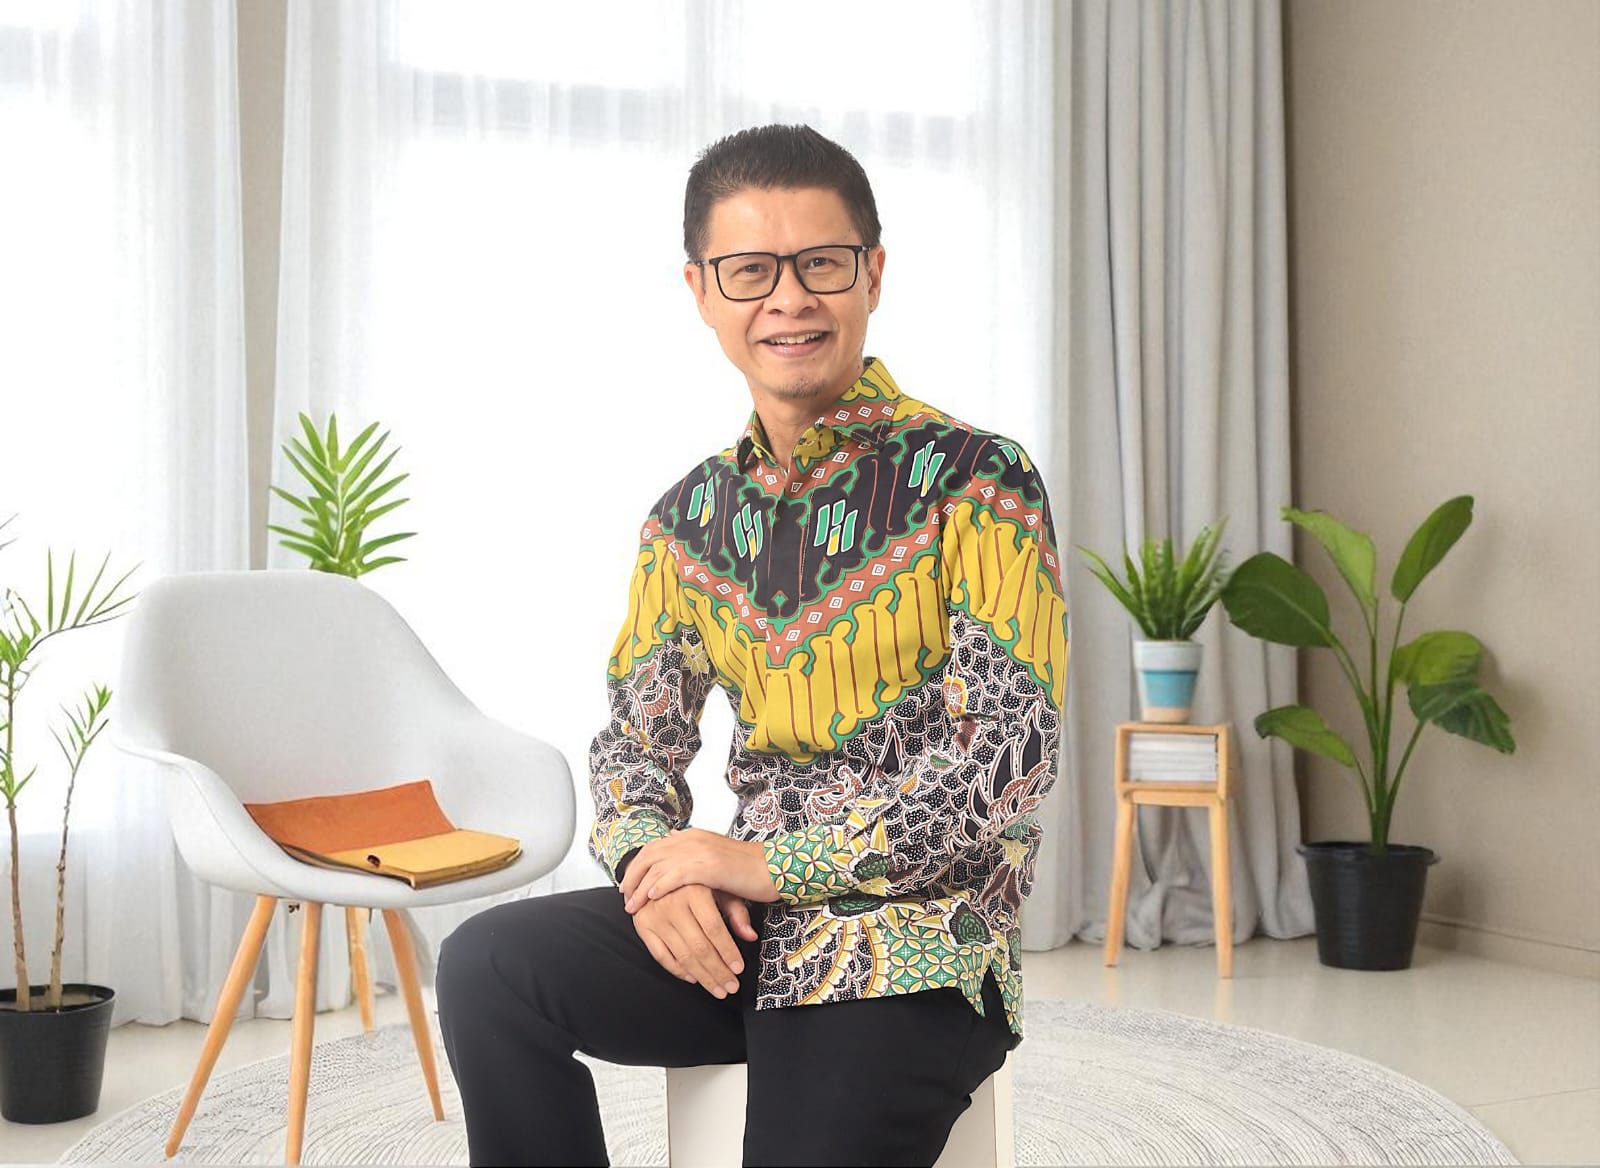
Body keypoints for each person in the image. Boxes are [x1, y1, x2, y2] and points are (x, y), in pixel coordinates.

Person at [435, 123, 1069, 1168]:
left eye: (820, 263)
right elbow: (633, 746)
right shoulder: (685, 521)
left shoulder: (978, 479)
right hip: (743, 936)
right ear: (701, 290)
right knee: (489, 965)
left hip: (914, 948)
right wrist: (656, 869)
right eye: (750, 271)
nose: (788, 299)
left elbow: (1008, 760)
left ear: (872, 273)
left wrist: (764, 862)